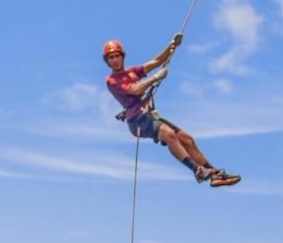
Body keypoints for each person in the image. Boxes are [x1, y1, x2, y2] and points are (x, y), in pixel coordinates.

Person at [103, 35, 241, 188]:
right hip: (137, 121)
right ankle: (197, 170)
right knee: (169, 134)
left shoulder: (132, 72)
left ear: (122, 57)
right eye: (111, 58)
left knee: (187, 139)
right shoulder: (112, 81)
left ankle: (213, 174)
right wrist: (155, 78)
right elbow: (135, 90)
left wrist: (171, 46)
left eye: (117, 56)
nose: (114, 60)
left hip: (147, 116)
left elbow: (157, 61)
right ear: (107, 61)